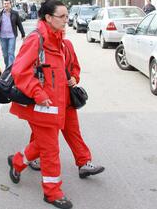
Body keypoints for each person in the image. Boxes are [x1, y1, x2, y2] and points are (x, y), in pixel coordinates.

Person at [6, 0, 73, 208]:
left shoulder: (58, 40)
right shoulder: (37, 40)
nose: (66, 20)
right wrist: (38, 92)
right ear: (48, 18)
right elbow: (19, 71)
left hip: (55, 105)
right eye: (62, 16)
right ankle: (52, 193)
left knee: (42, 144)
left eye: (66, 15)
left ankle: (17, 162)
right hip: (41, 106)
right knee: (50, 150)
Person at [28, 30, 105, 179]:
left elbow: (75, 67)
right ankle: (31, 158)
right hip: (48, 101)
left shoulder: (67, 45)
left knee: (73, 132)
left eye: (65, 21)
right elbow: (30, 72)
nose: (62, 28)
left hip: (67, 99)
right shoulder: (40, 47)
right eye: (60, 21)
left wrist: (75, 78)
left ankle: (84, 163)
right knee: (44, 135)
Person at [0, 0, 25, 68]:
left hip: (12, 36)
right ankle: (7, 67)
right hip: (2, 36)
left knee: (11, 52)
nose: (6, 5)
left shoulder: (15, 13)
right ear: (3, 5)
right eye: (5, 4)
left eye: (7, 3)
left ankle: (11, 69)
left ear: (10, 4)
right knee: (5, 54)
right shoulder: (0, 14)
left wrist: (23, 34)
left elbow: (19, 24)